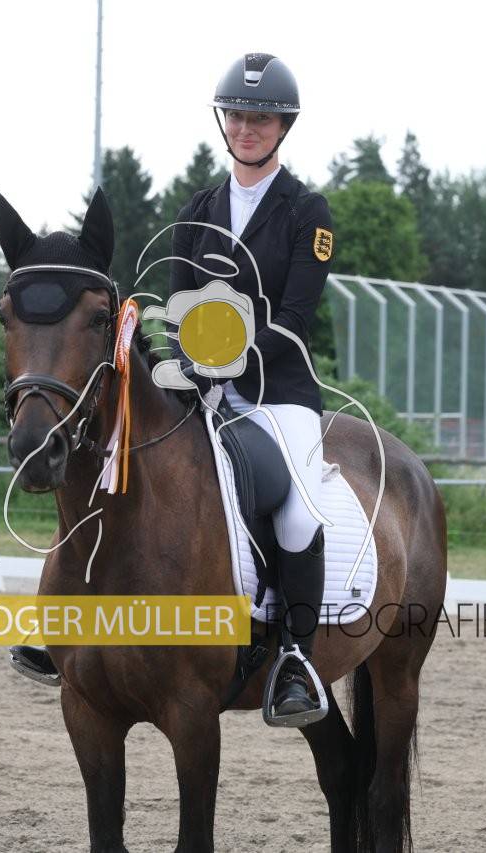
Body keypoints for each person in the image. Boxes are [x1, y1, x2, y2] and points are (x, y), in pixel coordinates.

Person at [169, 53, 334, 725]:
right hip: (201, 390)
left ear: (283, 126)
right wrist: (186, 364)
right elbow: (177, 305)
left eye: (261, 118)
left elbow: (294, 317)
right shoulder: (197, 210)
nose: (247, 127)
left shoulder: (307, 211)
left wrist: (230, 360)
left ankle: (296, 656)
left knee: (298, 512)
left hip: (279, 392)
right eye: (237, 115)